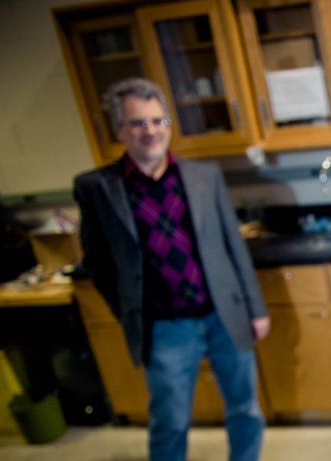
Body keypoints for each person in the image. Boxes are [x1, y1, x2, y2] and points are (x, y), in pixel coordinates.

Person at [73, 78, 269, 461]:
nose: (151, 131)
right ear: (120, 131)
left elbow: (234, 245)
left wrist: (256, 308)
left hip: (223, 315)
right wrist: (128, 309)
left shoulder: (203, 177)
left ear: (169, 125)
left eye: (158, 121)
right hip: (164, 326)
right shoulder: (98, 187)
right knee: (171, 422)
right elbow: (96, 261)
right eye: (138, 123)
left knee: (245, 409)